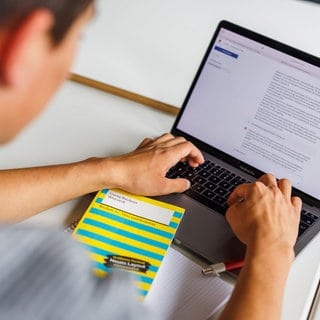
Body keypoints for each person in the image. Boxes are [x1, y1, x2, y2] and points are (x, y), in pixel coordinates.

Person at [0, 1, 302, 319]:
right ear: (25, 44)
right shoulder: (49, 279)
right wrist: (273, 248)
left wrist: (107, 171)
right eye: (80, 36)